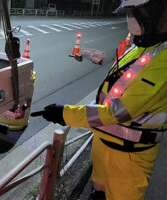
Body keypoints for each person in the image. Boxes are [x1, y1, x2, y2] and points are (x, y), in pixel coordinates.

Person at [31, 0, 167, 199]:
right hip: (103, 148)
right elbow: (110, 94)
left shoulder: (163, 59)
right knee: (97, 194)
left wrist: (65, 113)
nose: (128, 17)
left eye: (132, 11)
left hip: (129, 159)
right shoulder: (139, 48)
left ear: (151, 13)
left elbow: (118, 111)